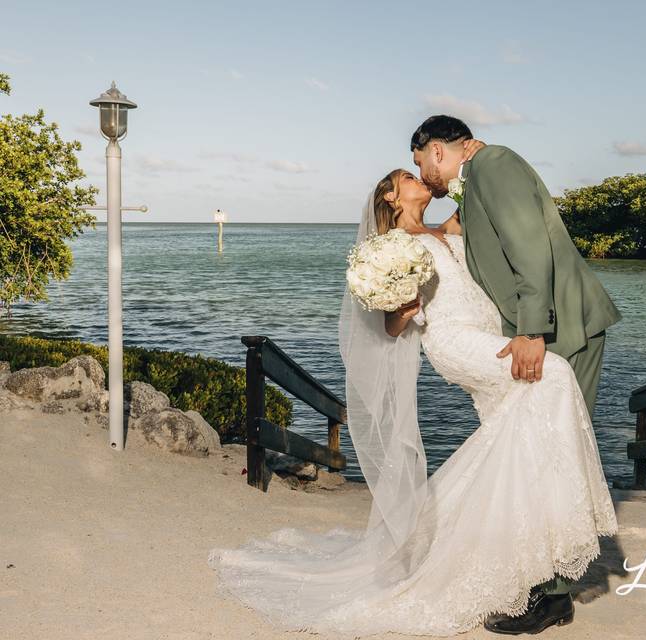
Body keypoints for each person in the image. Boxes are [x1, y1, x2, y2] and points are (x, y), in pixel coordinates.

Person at [207, 161, 619, 638]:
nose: (418, 179)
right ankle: (553, 545)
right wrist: (403, 309)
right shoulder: (391, 247)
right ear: (390, 197)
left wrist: (472, 167)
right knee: (557, 374)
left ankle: (529, 563)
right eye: (407, 176)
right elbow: (390, 326)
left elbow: (479, 196)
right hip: (455, 340)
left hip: (493, 333)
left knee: (519, 435)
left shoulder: (446, 229)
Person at [411, 115, 622, 632]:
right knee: (541, 453)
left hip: (563, 328)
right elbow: (465, 237)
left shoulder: (493, 163)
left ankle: (553, 597)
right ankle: (538, 579)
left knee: (557, 456)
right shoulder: (476, 179)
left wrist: (531, 330)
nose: (422, 175)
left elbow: (530, 246)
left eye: (420, 163)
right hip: (545, 330)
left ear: (437, 150)